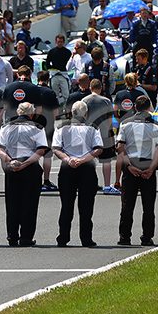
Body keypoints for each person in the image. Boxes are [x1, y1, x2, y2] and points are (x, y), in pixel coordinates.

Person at [0, 102, 48, 246]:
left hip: (12, 166)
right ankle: (26, 237)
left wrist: (10, 161)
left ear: (18, 112)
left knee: (12, 202)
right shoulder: (37, 128)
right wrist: (25, 163)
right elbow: (41, 150)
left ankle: (12, 236)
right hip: (30, 165)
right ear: (32, 114)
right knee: (29, 203)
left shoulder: (6, 126)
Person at [52, 100, 103, 247]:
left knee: (66, 204)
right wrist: (81, 160)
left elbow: (56, 148)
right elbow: (98, 148)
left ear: (70, 113)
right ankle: (86, 238)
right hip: (86, 166)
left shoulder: (62, 126)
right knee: (86, 206)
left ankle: (63, 237)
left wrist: (69, 160)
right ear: (86, 113)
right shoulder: (92, 127)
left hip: (68, 167)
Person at [116, 94, 158, 246]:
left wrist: (129, 166)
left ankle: (125, 237)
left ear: (135, 108)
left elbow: (120, 148)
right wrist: (152, 168)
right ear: (149, 108)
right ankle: (147, 237)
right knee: (148, 205)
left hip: (131, 164)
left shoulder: (125, 124)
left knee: (127, 204)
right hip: (148, 163)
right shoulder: (156, 125)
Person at [82, 79, 118, 194]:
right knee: (106, 160)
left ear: (90, 88)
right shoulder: (106, 101)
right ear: (101, 88)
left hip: (88, 133)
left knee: (89, 159)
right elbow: (109, 120)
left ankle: (88, 184)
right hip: (103, 133)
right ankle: (107, 186)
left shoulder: (84, 100)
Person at [35, 71, 60, 191]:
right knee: (47, 154)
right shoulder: (50, 92)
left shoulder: (33, 90)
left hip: (34, 125)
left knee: (33, 152)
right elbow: (56, 113)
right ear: (48, 79)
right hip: (48, 125)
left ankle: (34, 180)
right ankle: (46, 180)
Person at [45, 34, 73, 108]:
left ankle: (66, 110)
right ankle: (57, 111)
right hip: (54, 75)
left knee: (66, 94)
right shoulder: (51, 52)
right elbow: (47, 63)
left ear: (63, 42)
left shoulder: (67, 52)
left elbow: (70, 64)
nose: (59, 43)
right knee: (55, 94)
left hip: (64, 75)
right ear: (55, 42)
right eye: (58, 42)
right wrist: (52, 70)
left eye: (61, 42)